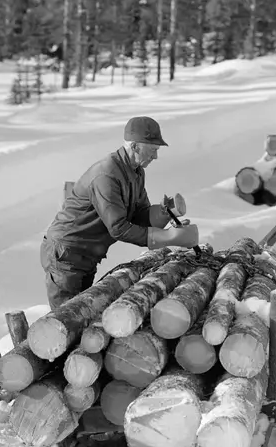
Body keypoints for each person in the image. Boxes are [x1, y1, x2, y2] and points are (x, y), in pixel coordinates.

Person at [40, 116, 200, 309]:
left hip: (86, 255)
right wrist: (170, 237)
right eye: (153, 150)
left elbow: (139, 214)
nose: (155, 156)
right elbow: (119, 228)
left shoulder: (136, 171)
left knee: (83, 316)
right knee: (66, 321)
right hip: (66, 255)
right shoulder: (106, 175)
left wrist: (165, 215)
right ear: (134, 146)